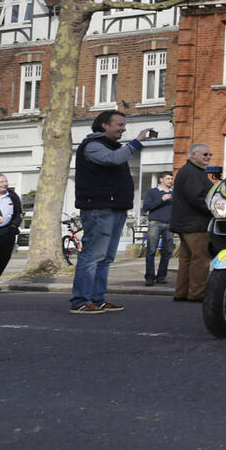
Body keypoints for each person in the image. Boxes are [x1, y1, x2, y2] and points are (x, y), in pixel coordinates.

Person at [70, 110, 154, 314]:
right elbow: (113, 160)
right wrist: (137, 141)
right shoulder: (93, 146)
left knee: (106, 257)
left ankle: (97, 300)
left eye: (124, 124)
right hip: (99, 209)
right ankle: (81, 301)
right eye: (119, 124)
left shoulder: (111, 146)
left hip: (114, 209)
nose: (123, 128)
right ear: (104, 125)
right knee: (92, 256)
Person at [171, 143, 214, 304]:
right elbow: (196, 198)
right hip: (195, 223)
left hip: (185, 222)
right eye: (205, 154)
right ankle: (197, 293)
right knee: (201, 259)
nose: (208, 157)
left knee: (187, 259)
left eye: (209, 155)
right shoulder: (193, 172)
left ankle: (182, 292)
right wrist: (214, 210)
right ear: (193, 155)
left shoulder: (190, 171)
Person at [141, 173, 174, 287]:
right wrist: (162, 199)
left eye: (171, 179)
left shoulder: (174, 193)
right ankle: (149, 277)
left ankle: (161, 276)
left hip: (170, 225)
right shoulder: (152, 192)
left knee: (167, 251)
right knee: (151, 250)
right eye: (168, 179)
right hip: (155, 223)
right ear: (161, 180)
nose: (170, 181)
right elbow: (146, 207)